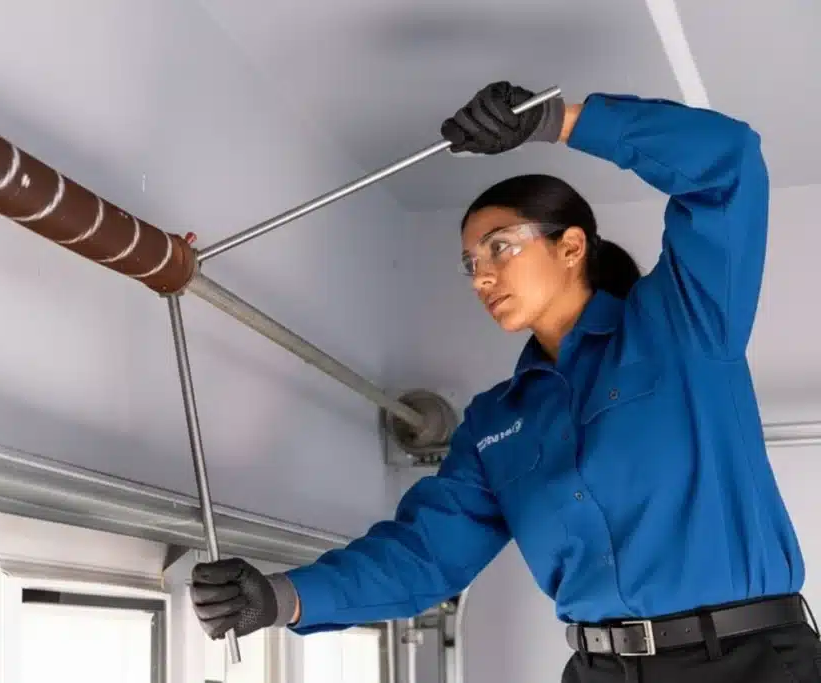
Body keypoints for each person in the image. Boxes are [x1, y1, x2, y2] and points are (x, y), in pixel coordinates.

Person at [189, 81, 821, 682]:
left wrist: (556, 119)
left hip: (747, 662)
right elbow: (427, 555)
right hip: (599, 671)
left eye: (499, 247)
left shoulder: (682, 325)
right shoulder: (496, 424)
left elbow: (727, 164)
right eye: (470, 263)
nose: (481, 276)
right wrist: (278, 598)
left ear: (572, 247)